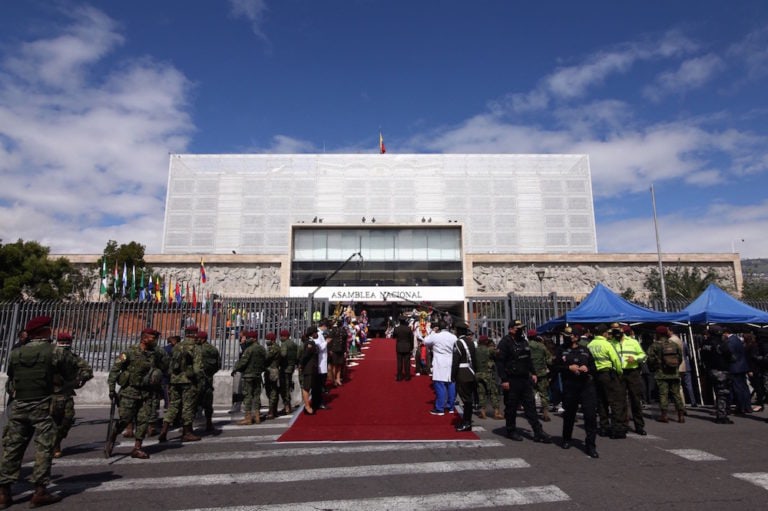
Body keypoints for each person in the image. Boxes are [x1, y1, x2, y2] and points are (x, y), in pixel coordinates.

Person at [0, 316, 78, 508]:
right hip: (43, 406)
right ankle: (39, 492)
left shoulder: (15, 353)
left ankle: (3, 493)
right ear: (44, 332)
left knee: (12, 449)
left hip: (19, 406)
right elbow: (71, 373)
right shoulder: (55, 352)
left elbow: (11, 380)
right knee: (44, 448)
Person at [106, 327, 165, 458]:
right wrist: (111, 389)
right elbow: (115, 370)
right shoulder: (129, 352)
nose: (155, 341)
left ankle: (137, 448)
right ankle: (113, 437)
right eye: (153, 338)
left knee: (143, 421)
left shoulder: (156, 354)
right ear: (144, 338)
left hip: (147, 393)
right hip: (129, 392)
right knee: (125, 419)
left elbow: (163, 368)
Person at [496, 320, 551, 443]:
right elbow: (500, 363)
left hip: (525, 379)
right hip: (512, 379)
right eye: (517, 328)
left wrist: (534, 373)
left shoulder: (523, 341)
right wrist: (504, 379)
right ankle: (511, 430)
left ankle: (538, 432)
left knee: (530, 406)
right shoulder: (505, 343)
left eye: (521, 328)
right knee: (511, 407)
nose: (520, 330)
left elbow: (528, 359)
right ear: (510, 329)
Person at [555, 325, 599, 458]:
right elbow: (555, 367)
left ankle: (590, 445)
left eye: (570, 335)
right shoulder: (561, 350)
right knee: (569, 415)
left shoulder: (585, 350)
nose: (567, 337)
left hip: (586, 386)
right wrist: (568, 367)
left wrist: (587, 368)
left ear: (576, 337)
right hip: (570, 385)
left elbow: (594, 367)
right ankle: (566, 439)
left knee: (590, 416)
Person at [51, 331, 94, 458]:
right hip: (49, 394)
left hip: (66, 393)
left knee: (67, 419)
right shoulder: (49, 355)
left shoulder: (73, 357)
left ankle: (56, 441)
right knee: (51, 421)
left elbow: (87, 370)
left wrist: (79, 379)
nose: (64, 345)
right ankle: (52, 446)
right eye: (62, 342)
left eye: (66, 343)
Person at [159, 326, 203, 442]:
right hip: (188, 381)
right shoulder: (195, 347)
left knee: (173, 405)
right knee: (188, 406)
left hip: (174, 380)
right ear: (194, 334)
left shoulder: (177, 346)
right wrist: (198, 381)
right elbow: (197, 369)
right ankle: (187, 432)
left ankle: (164, 430)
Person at [587, 324, 626, 439]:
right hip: (607, 374)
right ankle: (617, 429)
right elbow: (616, 360)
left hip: (595, 375)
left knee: (601, 401)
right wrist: (619, 372)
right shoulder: (607, 344)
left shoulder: (590, 345)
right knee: (615, 401)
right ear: (604, 333)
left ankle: (604, 427)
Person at [647, 326, 685, 423]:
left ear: (658, 334)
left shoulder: (655, 345)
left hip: (661, 374)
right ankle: (681, 415)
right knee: (676, 394)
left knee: (663, 394)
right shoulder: (673, 344)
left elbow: (650, 359)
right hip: (674, 373)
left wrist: (654, 367)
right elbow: (680, 357)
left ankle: (664, 415)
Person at [614, 324, 648, 435]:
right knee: (620, 400)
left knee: (635, 399)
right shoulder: (612, 343)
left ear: (622, 331)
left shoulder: (633, 342)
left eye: (618, 329)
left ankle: (639, 426)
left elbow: (643, 355)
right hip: (619, 373)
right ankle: (622, 425)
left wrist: (636, 358)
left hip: (632, 372)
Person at [420, 320, 457, 415]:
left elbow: (425, 341)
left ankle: (440, 408)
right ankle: (451, 407)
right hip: (450, 361)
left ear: (438, 328)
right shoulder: (453, 337)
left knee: (440, 385)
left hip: (439, 362)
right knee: (451, 384)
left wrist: (433, 331)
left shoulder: (436, 336)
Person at [699, 325, 734, 423]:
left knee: (717, 392)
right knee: (722, 394)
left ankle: (721, 413)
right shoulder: (720, 343)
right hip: (721, 370)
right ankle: (722, 416)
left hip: (710, 370)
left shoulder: (705, 343)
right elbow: (730, 356)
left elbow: (702, 357)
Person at [232, 331, 267, 424]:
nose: (247, 340)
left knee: (248, 396)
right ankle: (257, 416)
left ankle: (248, 418)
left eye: (249, 338)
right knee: (256, 395)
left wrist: (235, 369)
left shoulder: (249, 349)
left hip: (248, 375)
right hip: (257, 375)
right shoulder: (262, 349)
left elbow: (243, 362)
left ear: (254, 339)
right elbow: (265, 361)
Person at [452, 332, 477, 431]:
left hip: (462, 373)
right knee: (468, 398)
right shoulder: (471, 342)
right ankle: (466, 421)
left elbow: (456, 360)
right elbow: (474, 359)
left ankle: (467, 422)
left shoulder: (459, 343)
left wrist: (452, 374)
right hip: (470, 372)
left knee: (466, 400)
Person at [196, 330, 221, 432]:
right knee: (208, 403)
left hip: (196, 380)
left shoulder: (196, 349)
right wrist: (210, 374)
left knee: (192, 403)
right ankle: (209, 423)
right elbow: (218, 365)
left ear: (202, 339)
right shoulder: (213, 349)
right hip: (208, 379)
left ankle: (188, 428)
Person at [475, 335, 503, 420]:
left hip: (478, 374)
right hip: (488, 374)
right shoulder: (489, 349)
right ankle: (496, 412)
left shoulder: (475, 350)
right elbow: (498, 353)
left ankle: (482, 412)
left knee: (481, 393)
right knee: (493, 393)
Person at [527, 329, 553, 422]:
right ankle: (545, 414)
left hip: (529, 374)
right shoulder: (542, 346)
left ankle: (531, 412)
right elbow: (549, 359)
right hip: (542, 373)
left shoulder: (526, 346)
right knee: (544, 394)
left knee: (530, 394)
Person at [725, 326, 751, 415]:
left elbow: (730, 354)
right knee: (744, 387)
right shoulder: (737, 339)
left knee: (737, 388)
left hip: (735, 367)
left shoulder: (730, 341)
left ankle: (741, 407)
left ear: (726, 333)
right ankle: (747, 406)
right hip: (742, 366)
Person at [299, 327, 320, 415]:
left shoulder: (311, 342)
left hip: (312, 368)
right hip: (308, 368)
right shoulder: (309, 343)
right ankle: (307, 406)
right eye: (316, 333)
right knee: (306, 387)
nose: (317, 334)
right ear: (312, 333)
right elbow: (305, 356)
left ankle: (309, 405)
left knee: (310, 386)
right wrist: (301, 365)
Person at [279, 329, 298, 414]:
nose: (280, 338)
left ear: (285, 336)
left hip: (285, 368)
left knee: (284, 387)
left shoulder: (284, 344)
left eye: (281, 336)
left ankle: (287, 407)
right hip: (292, 367)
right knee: (288, 386)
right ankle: (288, 406)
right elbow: (297, 356)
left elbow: (283, 354)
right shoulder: (294, 344)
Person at [264, 332, 281, 419]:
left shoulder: (274, 348)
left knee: (272, 391)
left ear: (272, 340)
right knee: (270, 391)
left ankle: (272, 411)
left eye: (268, 339)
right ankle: (273, 410)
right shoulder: (272, 347)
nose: (266, 341)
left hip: (272, 370)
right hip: (270, 370)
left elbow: (266, 357)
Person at [394, 316, 413, 381]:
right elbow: (411, 339)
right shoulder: (408, 329)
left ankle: (399, 376)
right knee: (407, 363)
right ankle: (407, 376)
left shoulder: (396, 329)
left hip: (399, 346)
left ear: (399, 321)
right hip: (407, 347)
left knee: (399, 362)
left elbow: (394, 336)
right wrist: (411, 347)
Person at [327, 320, 346, 387]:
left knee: (339, 365)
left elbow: (344, 341)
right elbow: (329, 341)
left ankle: (338, 379)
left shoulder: (343, 330)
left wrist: (345, 351)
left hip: (341, 349)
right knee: (334, 365)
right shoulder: (333, 331)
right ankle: (334, 379)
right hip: (334, 350)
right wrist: (330, 350)